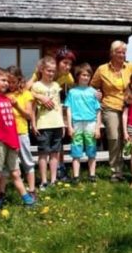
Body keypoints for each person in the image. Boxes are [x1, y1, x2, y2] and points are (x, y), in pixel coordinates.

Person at [90, 40, 132, 182]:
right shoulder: (102, 69)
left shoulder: (130, 67)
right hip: (110, 106)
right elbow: (92, 87)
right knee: (114, 138)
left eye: (124, 52)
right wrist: (97, 94)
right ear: (112, 53)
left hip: (129, 106)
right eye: (119, 52)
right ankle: (116, 172)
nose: (122, 55)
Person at [0, 67, 36, 208]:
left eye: (7, 80)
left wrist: (15, 143)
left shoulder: (7, 99)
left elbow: (11, 124)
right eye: (3, 80)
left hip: (11, 142)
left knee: (15, 172)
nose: (6, 83)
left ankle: (27, 199)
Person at [28, 46, 76, 181]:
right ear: (57, 61)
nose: (68, 67)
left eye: (70, 64)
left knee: (57, 146)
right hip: (38, 112)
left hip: (54, 113)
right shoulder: (39, 73)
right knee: (44, 149)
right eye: (65, 63)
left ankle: (59, 170)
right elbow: (26, 90)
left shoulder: (67, 76)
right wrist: (39, 96)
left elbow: (76, 87)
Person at [64, 63, 102, 184]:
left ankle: (92, 175)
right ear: (78, 76)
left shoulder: (93, 92)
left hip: (91, 123)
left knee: (91, 151)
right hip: (77, 123)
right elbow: (68, 110)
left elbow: (98, 111)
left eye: (88, 75)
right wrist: (69, 126)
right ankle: (75, 176)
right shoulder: (72, 92)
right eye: (83, 75)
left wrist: (98, 128)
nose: (86, 77)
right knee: (76, 151)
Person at [31, 56, 64, 190]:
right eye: (48, 70)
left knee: (55, 153)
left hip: (57, 123)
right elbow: (32, 107)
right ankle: (44, 180)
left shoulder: (56, 85)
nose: (51, 73)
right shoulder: (36, 86)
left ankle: (53, 179)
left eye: (53, 71)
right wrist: (33, 124)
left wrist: (62, 123)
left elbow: (59, 105)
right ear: (42, 70)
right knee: (43, 153)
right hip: (43, 124)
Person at [6, 66, 37, 198]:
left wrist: (16, 106)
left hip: (21, 133)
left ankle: (31, 190)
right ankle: (3, 191)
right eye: (8, 82)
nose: (10, 85)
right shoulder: (4, 95)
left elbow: (29, 116)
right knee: (7, 164)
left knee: (27, 161)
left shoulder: (25, 94)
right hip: (7, 135)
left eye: (13, 82)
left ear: (19, 80)